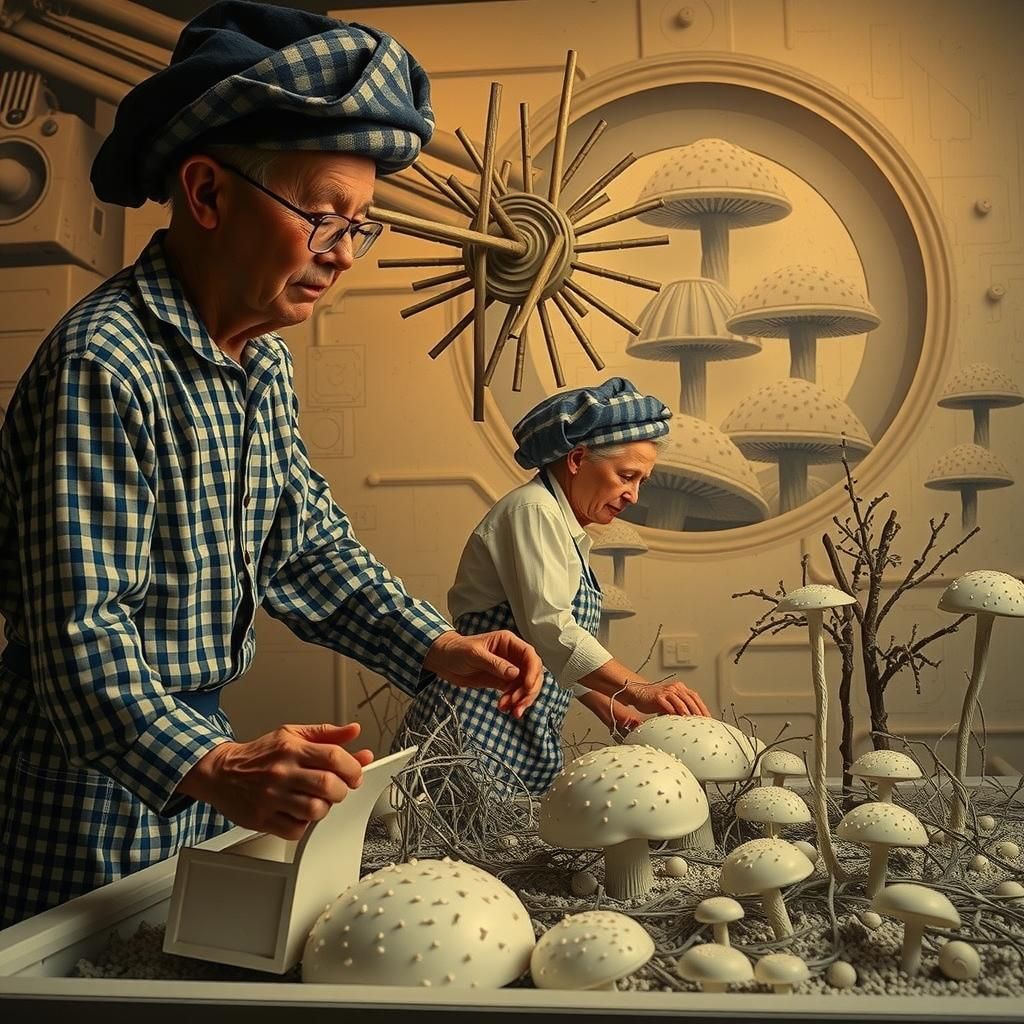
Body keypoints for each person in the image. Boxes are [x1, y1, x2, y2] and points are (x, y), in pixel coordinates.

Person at [0, 1, 544, 929]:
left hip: (199, 768)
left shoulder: (261, 362)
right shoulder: (106, 362)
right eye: (324, 216)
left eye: (361, 228)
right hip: (83, 796)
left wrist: (433, 648)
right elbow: (78, 638)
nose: (343, 257)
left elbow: (306, 550)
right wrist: (213, 767)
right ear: (208, 194)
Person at [395, 378, 711, 796]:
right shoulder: (533, 510)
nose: (633, 495)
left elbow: (548, 653)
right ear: (578, 458)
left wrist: (612, 708)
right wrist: (637, 689)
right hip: (471, 727)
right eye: (626, 476)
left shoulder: (564, 528)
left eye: (641, 482)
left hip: (519, 730)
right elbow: (553, 631)